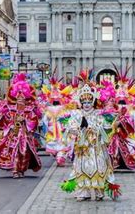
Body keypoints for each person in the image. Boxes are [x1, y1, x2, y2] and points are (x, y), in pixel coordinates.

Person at [60, 70, 120, 201]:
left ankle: (99, 191)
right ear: (81, 102)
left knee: (99, 167)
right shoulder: (76, 114)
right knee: (82, 167)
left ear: (93, 102)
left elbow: (106, 127)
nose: (86, 105)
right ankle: (84, 192)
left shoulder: (98, 113)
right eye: (84, 102)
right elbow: (69, 127)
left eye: (89, 102)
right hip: (83, 148)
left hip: (96, 147)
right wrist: (77, 130)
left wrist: (107, 126)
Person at [0, 73, 42, 178]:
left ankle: (21, 169)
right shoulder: (10, 108)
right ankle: (15, 170)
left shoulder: (29, 109)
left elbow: (34, 120)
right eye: (18, 96)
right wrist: (11, 123)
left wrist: (25, 121)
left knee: (25, 152)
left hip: (24, 134)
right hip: (12, 133)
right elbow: (3, 119)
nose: (20, 98)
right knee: (13, 151)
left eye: (22, 96)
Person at [40, 74, 73, 166]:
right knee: (59, 144)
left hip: (57, 129)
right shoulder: (62, 109)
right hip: (57, 129)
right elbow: (67, 118)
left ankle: (59, 157)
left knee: (58, 144)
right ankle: (59, 156)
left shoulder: (51, 109)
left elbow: (45, 121)